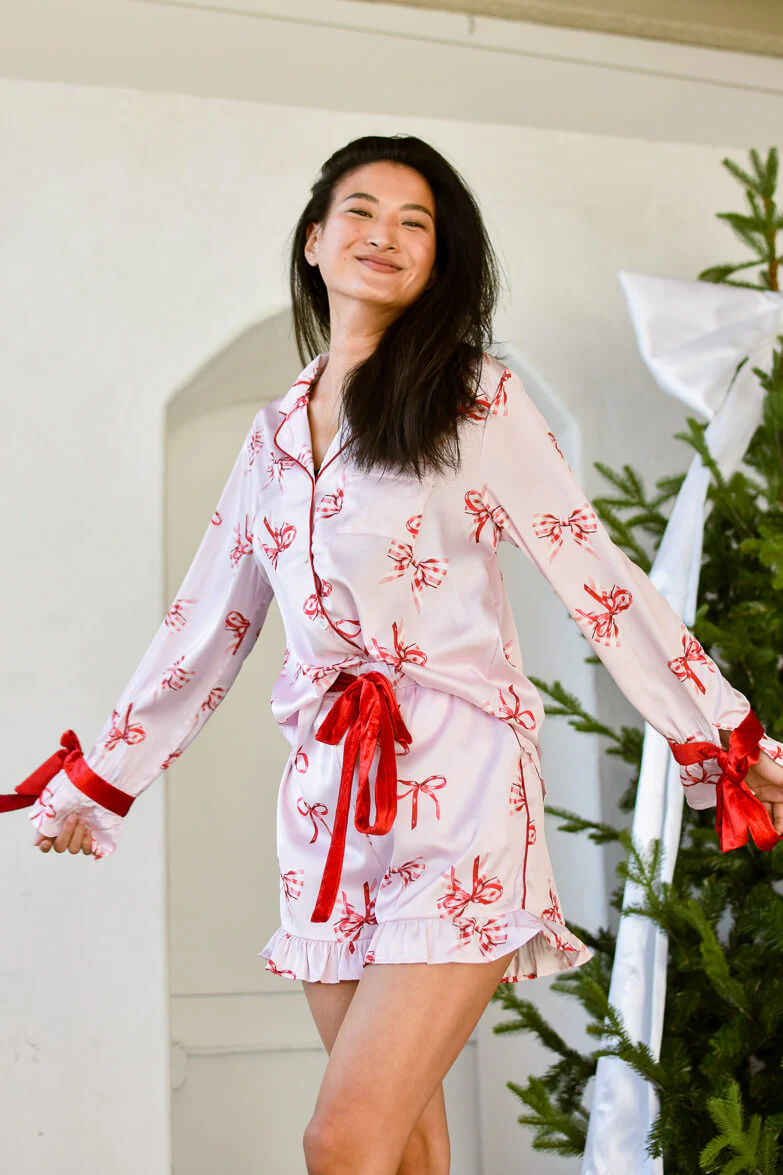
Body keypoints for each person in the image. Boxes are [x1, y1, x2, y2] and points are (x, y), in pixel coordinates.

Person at [5, 133, 783, 1175]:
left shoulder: (476, 401)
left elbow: (595, 574)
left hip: (458, 788)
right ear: (316, 239)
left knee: (344, 1137)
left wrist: (722, 735)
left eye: (416, 222)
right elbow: (210, 617)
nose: (386, 235)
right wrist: (104, 777)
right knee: (405, 1141)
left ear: (439, 262)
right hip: (328, 804)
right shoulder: (274, 432)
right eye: (362, 211)